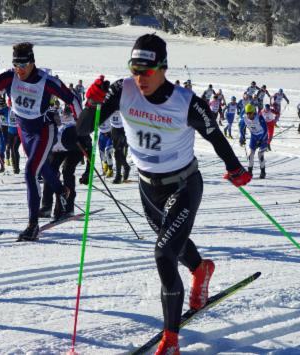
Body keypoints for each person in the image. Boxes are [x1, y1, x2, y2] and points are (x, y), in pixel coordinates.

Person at [77, 34, 251, 355]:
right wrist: (93, 102)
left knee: (163, 254)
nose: (140, 78)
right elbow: (82, 129)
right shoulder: (123, 90)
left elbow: (215, 136)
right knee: (174, 243)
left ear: (163, 68)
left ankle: (171, 340)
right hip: (147, 188)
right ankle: (201, 270)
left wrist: (235, 168)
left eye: (147, 70)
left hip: (184, 185)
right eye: (134, 69)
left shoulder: (186, 102)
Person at [0, 42, 82, 241]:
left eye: (23, 65)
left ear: (32, 63)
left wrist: (82, 128)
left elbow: (72, 99)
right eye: (16, 65)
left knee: (30, 171)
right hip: (24, 131)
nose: (19, 70)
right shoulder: (8, 77)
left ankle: (33, 225)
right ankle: (63, 192)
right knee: (41, 169)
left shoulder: (46, 81)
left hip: (43, 131)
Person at [40, 106, 82, 219]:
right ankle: (46, 207)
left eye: (58, 116)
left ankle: (68, 208)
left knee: (67, 171)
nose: (58, 119)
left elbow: (87, 143)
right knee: (50, 173)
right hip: (59, 150)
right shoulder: (46, 131)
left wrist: (88, 170)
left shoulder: (70, 127)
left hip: (75, 148)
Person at [244, 104, 268, 178]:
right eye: (247, 113)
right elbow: (241, 127)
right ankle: (250, 172)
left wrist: (261, 140)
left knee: (260, 154)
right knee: (250, 154)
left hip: (262, 136)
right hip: (254, 137)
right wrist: (242, 137)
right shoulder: (244, 118)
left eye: (250, 113)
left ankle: (263, 171)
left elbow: (266, 130)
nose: (248, 115)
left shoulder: (259, 118)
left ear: (254, 112)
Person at [110, 110, 131, 184]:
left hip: (123, 129)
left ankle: (118, 175)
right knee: (116, 153)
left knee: (118, 152)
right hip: (114, 129)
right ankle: (125, 167)